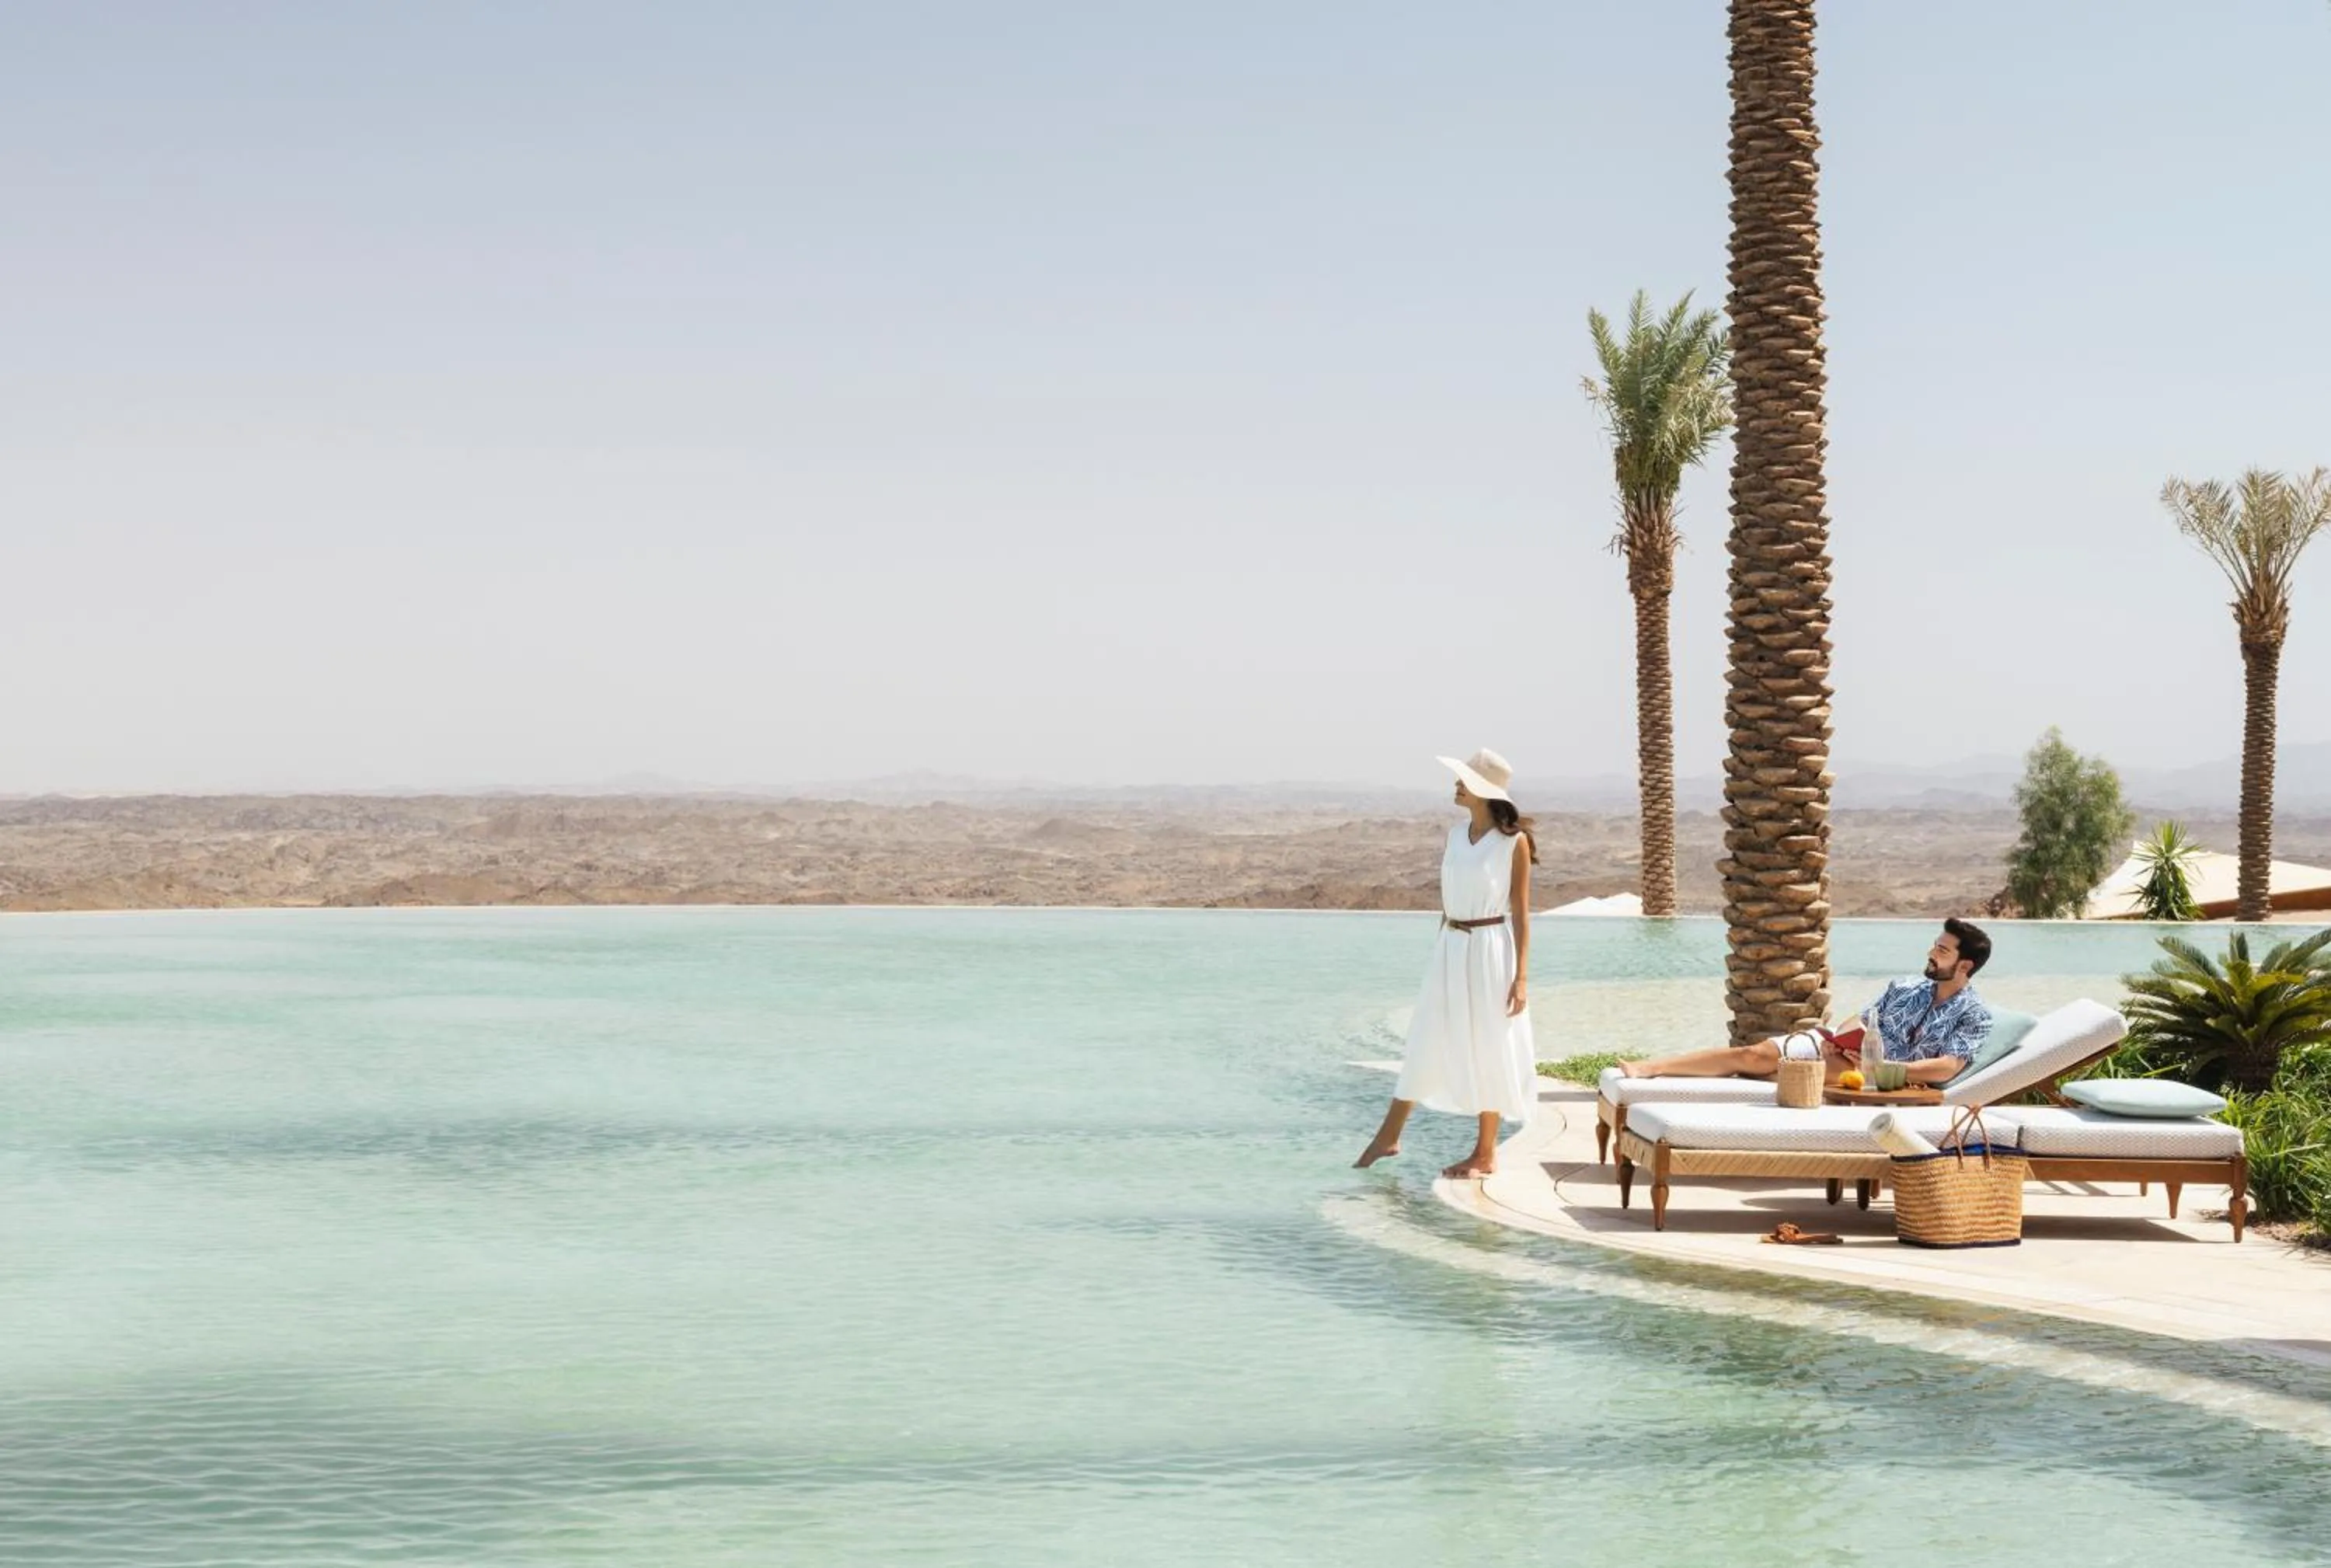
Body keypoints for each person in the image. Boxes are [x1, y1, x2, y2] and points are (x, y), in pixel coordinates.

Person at [1354, 748, 1539, 1179]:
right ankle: (1391, 1135)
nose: (1456, 784)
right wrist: (1441, 949)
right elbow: (1448, 896)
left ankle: (1485, 1153)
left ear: (1483, 790)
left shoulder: (1515, 843)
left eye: (1463, 779)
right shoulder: (1456, 835)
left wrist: (1521, 977)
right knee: (1427, 1032)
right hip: (1451, 945)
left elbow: (1521, 913)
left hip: (1491, 948)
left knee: (1490, 1041)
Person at [1613, 918, 1995, 1088]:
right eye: (1934, 945)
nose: (1931, 954)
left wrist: (1883, 1070)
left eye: (1941, 951)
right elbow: (1861, 1018)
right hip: (1839, 1051)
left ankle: (1658, 1071)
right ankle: (1651, 1068)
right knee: (1753, 1054)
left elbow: (1947, 1068)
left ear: (1964, 965)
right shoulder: (1907, 987)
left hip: (1877, 1077)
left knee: (1771, 1069)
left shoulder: (1973, 1014)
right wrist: (1838, 1039)